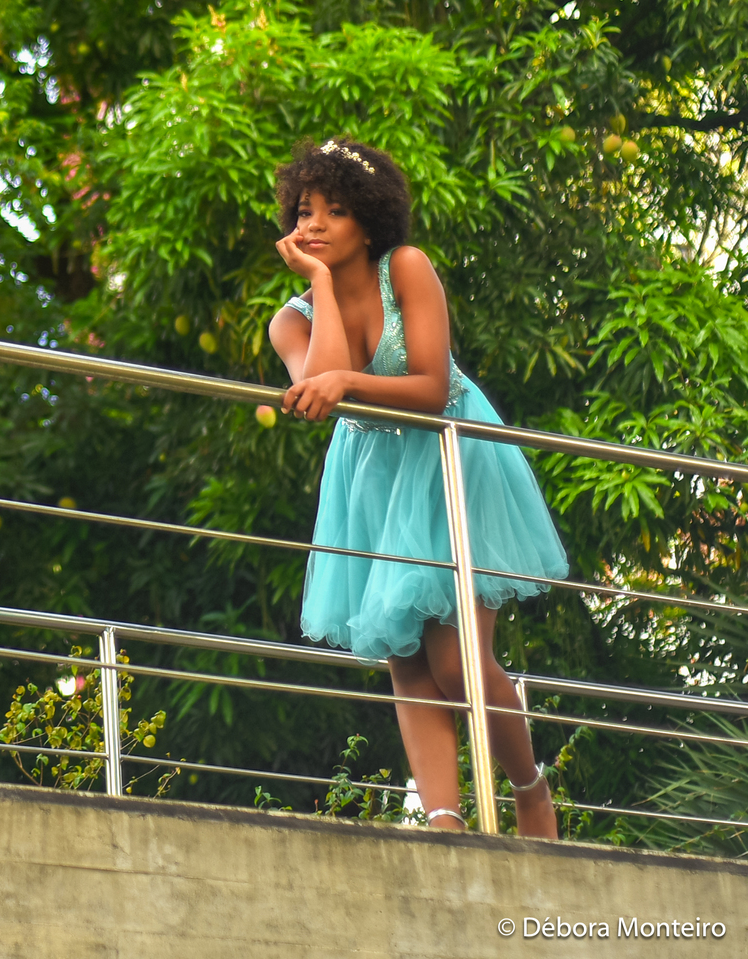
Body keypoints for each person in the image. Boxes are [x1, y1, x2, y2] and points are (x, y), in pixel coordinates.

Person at [267, 137, 569, 839]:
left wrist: (341, 379)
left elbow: (431, 387)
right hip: (372, 478)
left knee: (456, 659)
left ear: (368, 222)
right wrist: (318, 287)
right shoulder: (291, 318)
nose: (312, 224)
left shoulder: (405, 266)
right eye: (304, 211)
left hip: (448, 454)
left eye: (334, 212)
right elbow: (325, 391)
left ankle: (530, 789)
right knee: (403, 652)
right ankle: (443, 817)